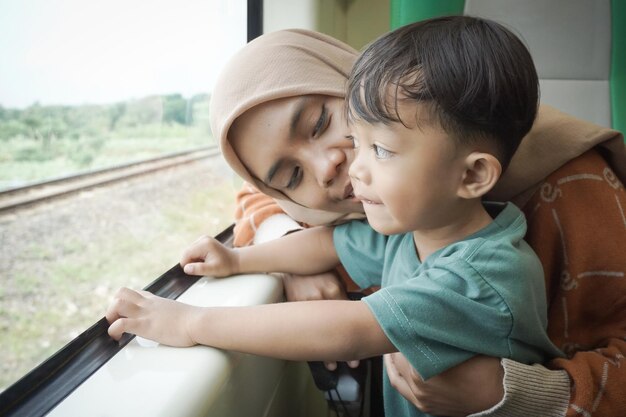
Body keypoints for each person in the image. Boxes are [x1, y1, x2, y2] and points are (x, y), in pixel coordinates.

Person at [107, 16, 569, 417]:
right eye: (289, 176)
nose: (347, 166)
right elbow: (328, 243)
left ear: (472, 177)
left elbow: (351, 330)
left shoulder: (481, 273)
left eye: (324, 123)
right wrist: (240, 261)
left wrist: (191, 323)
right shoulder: (413, 230)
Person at [204, 26, 626, 417]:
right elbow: (255, 197)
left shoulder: (572, 187)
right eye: (291, 178)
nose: (330, 167)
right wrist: (288, 248)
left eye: (320, 123)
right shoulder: (392, 215)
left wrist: (524, 395)